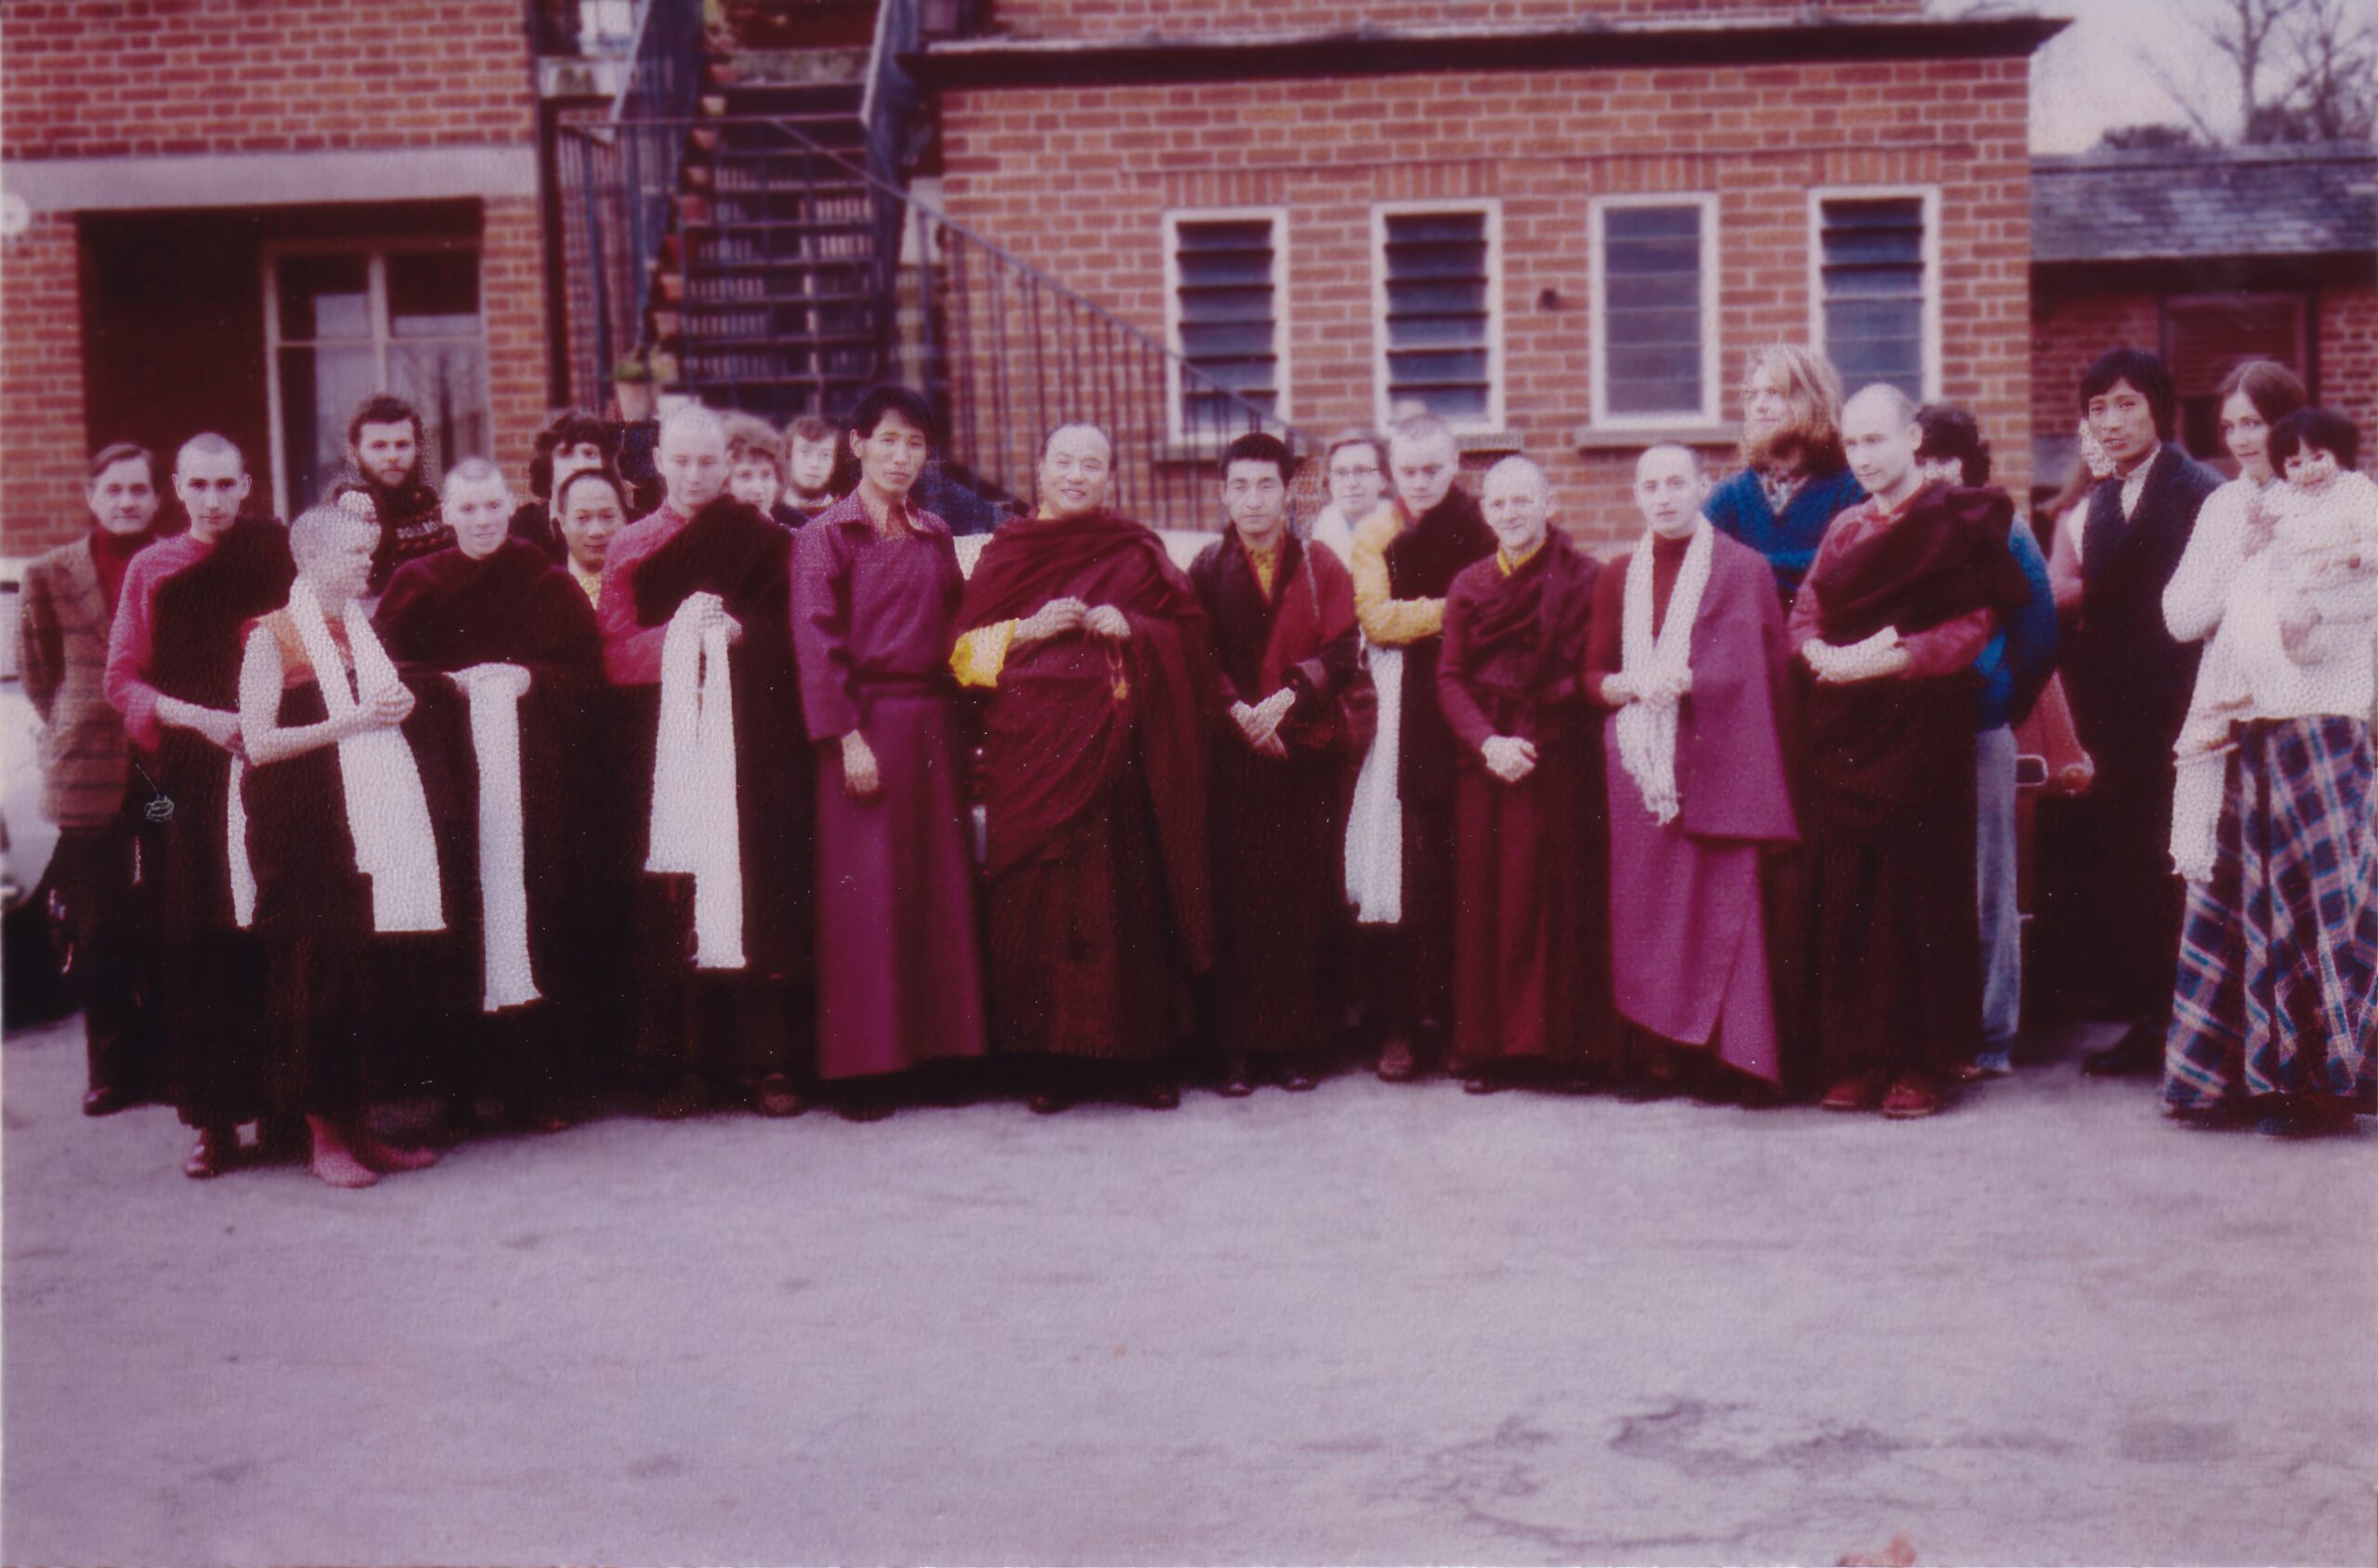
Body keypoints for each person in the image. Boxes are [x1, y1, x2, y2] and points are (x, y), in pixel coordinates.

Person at [951, 422, 1216, 1113]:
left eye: (1091, 465)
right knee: (1039, 905)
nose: (1076, 475)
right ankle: (1048, 1062)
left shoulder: (1134, 549)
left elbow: (1192, 638)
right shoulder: (1010, 551)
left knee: (1129, 897)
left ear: (1111, 478)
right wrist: (1028, 629)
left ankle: (1143, 1058)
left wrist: (1138, 628)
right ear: (1039, 470)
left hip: (1121, 757)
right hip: (1033, 751)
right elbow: (961, 655)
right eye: (1064, 462)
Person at [1785, 385, 2034, 1118]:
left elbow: (1971, 627)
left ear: (1913, 439)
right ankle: (1859, 1058)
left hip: (1923, 726)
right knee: (1851, 892)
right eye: (1853, 444)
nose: (1863, 457)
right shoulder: (1846, 528)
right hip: (1847, 731)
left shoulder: (1961, 518)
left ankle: (1919, 1066)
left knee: (1920, 896)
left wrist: (1883, 662)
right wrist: (1822, 658)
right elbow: (1806, 613)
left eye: (1877, 440)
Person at [2163, 400, 2378, 1137]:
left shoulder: (2355, 502)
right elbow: (2182, 617)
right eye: (2230, 427)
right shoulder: (2231, 509)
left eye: (2256, 422)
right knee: (2251, 902)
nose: (2242, 438)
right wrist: (2245, 548)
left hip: (2325, 718)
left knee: (2326, 898)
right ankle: (2240, 1081)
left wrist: (2324, 607)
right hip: (2244, 724)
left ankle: (2323, 1087)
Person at [375, 458, 608, 1132]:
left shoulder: (546, 582)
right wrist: (449, 687)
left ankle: (539, 1087)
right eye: (468, 508)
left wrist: (531, 680)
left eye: (492, 506)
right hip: (449, 777)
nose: (481, 520)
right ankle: (455, 1089)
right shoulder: (416, 583)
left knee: (537, 913)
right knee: (457, 917)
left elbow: (587, 677)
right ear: (447, 514)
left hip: (534, 781)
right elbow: (389, 674)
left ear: (511, 507)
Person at [598, 404, 814, 1118]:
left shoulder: (767, 540)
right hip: (666, 742)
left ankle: (766, 1061)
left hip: (751, 739)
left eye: (707, 462)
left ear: (727, 465)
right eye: (681, 461)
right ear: (658, 462)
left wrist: (742, 634)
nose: (693, 475)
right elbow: (615, 652)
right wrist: (686, 636)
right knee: (677, 893)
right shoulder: (631, 545)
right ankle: (682, 1064)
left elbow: (793, 634)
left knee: (757, 886)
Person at [238, 505, 452, 1188]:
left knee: (360, 974)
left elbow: (382, 706)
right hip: (298, 826)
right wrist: (354, 721)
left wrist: (396, 707)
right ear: (311, 559)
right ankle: (324, 1137)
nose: (368, 563)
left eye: (369, 550)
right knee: (314, 977)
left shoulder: (360, 629)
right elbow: (259, 743)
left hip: (361, 824)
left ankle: (360, 1127)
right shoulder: (272, 637)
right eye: (355, 552)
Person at [790, 387, 987, 1120]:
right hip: (862, 726)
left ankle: (942, 1054)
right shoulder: (825, 536)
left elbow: (959, 630)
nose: (901, 456)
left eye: (915, 444)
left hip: (933, 724)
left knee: (938, 889)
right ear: (858, 444)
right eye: (889, 441)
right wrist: (846, 738)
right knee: (865, 898)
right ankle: (864, 1067)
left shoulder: (935, 533)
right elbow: (816, 644)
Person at [1585, 444, 1798, 1100]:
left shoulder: (1742, 569)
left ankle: (1733, 1060)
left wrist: (1692, 680)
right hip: (1641, 768)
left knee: (1726, 911)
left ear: (1704, 486)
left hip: (1722, 758)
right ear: (1636, 495)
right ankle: (1660, 1058)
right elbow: (1592, 675)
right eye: (1650, 486)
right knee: (1648, 915)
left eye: (1677, 482)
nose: (1664, 497)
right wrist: (1630, 685)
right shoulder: (1618, 573)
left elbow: (1764, 670)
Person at [106, 433, 292, 1178]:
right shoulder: (152, 569)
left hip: (274, 761)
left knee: (274, 928)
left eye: (226, 485)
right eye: (199, 486)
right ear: (178, 489)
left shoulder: (275, 555)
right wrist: (200, 719)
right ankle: (213, 1120)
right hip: (189, 772)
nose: (213, 500)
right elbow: (122, 680)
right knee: (199, 938)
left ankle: (285, 1105)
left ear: (246, 486)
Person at [2058, 348, 2227, 1077]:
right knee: (2131, 870)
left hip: (2186, 714)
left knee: (2186, 870)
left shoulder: (2201, 491)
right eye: (2098, 408)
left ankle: (2199, 1030)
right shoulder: (2099, 503)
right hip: (2118, 723)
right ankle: (2153, 1020)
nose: (2112, 422)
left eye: (2127, 404)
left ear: (2159, 407)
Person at [1188, 431, 1361, 1097]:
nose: (1254, 499)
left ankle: (1296, 1044)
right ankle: (1236, 1049)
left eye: (1267, 485)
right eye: (1240, 486)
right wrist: (1238, 713)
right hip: (1233, 756)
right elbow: (1195, 655)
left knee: (1300, 898)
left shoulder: (1320, 564)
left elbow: (1343, 649)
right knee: (1237, 900)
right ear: (1223, 493)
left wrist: (1286, 700)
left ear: (1289, 491)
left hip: (1301, 753)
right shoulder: (1205, 569)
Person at [1436, 456, 1611, 1088]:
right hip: (1486, 762)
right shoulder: (1469, 584)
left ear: (1549, 503)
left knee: (1560, 901)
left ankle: (1566, 1052)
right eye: (1499, 503)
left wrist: (1533, 737)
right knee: (1490, 906)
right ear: (1485, 513)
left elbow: (1589, 669)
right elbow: (1450, 677)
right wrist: (1488, 743)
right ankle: (1492, 1050)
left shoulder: (1585, 577)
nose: (1511, 513)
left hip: (1559, 753)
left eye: (1522, 500)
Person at [1347, 414, 1496, 1081]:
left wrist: (1444, 612)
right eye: (1408, 471)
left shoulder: (1482, 522)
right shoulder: (1378, 532)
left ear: (1455, 463)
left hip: (1472, 699)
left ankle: (1465, 1022)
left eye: (1434, 469)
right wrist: (1461, 603)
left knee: (1462, 869)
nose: (1422, 482)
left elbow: (1502, 600)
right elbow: (1378, 620)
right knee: (1399, 870)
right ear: (1391, 473)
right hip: (1402, 709)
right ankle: (1400, 1021)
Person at [20, 443, 167, 1115]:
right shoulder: (50, 573)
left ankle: (166, 1062)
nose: (127, 502)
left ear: (156, 499)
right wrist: (76, 720)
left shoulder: (171, 564)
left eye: (139, 490)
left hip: (158, 770)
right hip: (85, 773)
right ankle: (111, 1069)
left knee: (164, 909)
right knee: (98, 925)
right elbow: (38, 672)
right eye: (114, 490)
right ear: (92, 496)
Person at [1916, 404, 2058, 1078]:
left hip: (1979, 728)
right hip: (1911, 731)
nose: (1932, 472)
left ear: (1969, 461)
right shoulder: (1899, 530)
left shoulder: (2007, 529)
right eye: (1920, 458)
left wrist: (1999, 695)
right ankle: (1930, 1032)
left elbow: (2039, 632)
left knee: (1988, 885)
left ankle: (1991, 1034)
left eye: (1943, 457)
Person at [1705, 345, 1868, 604]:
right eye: (1753, 395)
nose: (1759, 406)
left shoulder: (1852, 490)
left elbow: (1851, 568)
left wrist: (1748, 568)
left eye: (1773, 393)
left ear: (1810, 402)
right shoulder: (1729, 496)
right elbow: (1701, 569)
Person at [346, 393, 451, 596]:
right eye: (379, 446)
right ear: (353, 453)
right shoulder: (347, 515)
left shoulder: (437, 511)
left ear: (418, 448)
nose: (393, 456)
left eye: (402, 445)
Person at [509, 412, 620, 561]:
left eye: (590, 454)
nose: (580, 465)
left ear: (604, 464)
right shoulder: (521, 528)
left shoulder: (627, 526)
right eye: (566, 454)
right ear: (548, 465)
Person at [1309, 429, 1387, 568]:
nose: (1351, 483)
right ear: (1331, 483)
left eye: (1361, 471)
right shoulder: (1317, 543)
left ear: (1382, 479)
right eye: (1341, 473)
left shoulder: (1401, 534)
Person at [554, 465, 630, 606]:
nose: (596, 531)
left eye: (608, 517)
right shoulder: (545, 591)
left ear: (624, 520)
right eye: (582, 518)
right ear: (563, 523)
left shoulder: (643, 588)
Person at [726, 413, 805, 530]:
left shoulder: (798, 531)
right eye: (745, 476)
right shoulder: (710, 533)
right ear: (724, 483)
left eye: (767, 475)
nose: (758, 490)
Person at [783, 414, 843, 521]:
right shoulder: (768, 509)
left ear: (834, 464)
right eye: (805, 452)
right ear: (789, 456)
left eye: (825, 455)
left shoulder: (845, 514)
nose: (814, 463)